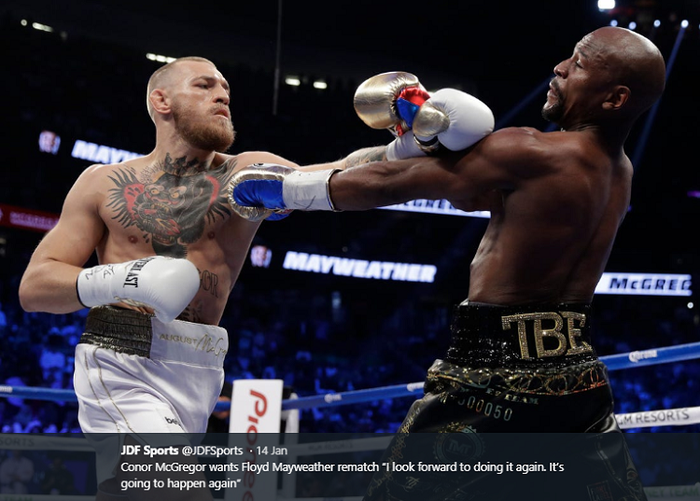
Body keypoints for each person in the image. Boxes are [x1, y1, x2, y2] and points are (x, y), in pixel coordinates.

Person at [18, 56, 492, 500]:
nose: (222, 96)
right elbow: (35, 286)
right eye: (204, 86)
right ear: (161, 101)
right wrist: (125, 279)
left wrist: (405, 147)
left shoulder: (246, 171)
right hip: (121, 356)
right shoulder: (102, 181)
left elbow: (339, 177)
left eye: (225, 89)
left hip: (199, 367)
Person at [228, 26, 666, 501]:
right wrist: (420, 137)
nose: (559, 68)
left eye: (578, 64)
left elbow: (391, 183)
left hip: (494, 374)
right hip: (577, 377)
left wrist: (285, 189)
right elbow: (471, 193)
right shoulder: (620, 171)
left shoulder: (532, 150)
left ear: (614, 98)